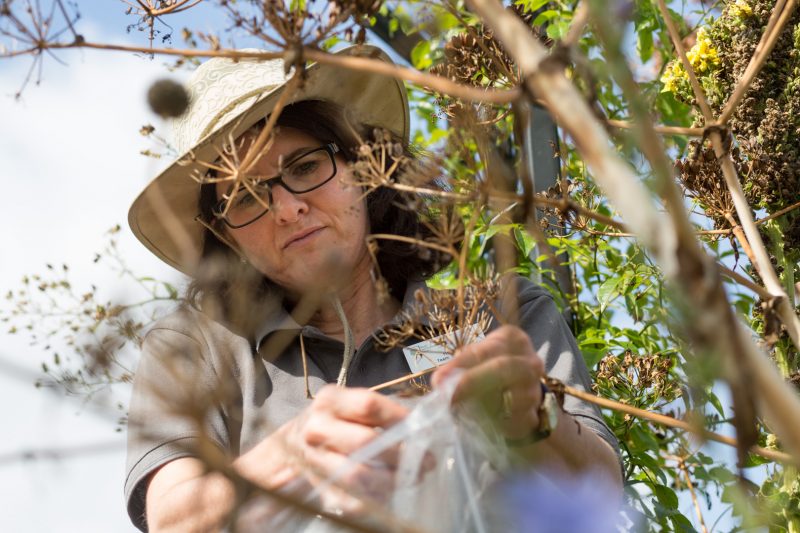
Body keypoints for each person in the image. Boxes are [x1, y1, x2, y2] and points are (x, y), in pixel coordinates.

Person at [124, 45, 622, 532]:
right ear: (223, 234)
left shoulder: (496, 313)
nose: (287, 209)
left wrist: (534, 419)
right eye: (246, 196)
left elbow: (603, 487)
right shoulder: (196, 347)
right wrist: (293, 454)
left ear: (363, 165)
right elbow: (173, 516)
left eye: (304, 167)